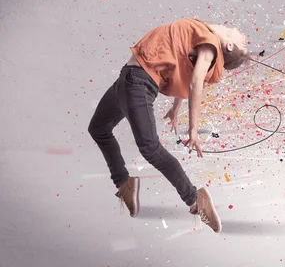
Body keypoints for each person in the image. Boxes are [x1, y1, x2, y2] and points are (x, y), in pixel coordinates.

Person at [88, 18, 251, 233]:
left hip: (137, 83)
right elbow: (185, 71)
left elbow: (195, 83)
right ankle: (123, 184)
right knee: (98, 129)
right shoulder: (202, 37)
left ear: (229, 45)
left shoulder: (210, 44)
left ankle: (195, 200)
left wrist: (193, 129)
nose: (244, 37)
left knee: (150, 149)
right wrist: (176, 108)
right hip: (125, 80)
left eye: (244, 43)